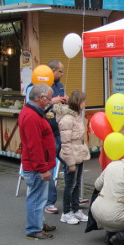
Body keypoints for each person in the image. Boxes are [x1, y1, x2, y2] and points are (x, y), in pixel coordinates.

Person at [26, 60, 69, 214]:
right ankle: (49, 202)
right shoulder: (34, 88)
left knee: (69, 161)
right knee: (49, 166)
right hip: (46, 132)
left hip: (58, 129)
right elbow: (36, 106)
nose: (62, 74)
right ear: (51, 71)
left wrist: (65, 102)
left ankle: (71, 197)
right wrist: (53, 101)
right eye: (60, 71)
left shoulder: (59, 85)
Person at [18, 84, 56, 240]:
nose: (49, 102)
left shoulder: (32, 113)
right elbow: (35, 146)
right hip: (36, 167)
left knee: (39, 196)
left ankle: (38, 223)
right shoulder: (32, 116)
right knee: (36, 197)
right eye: (48, 98)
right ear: (40, 98)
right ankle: (34, 228)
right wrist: (42, 169)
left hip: (37, 164)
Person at [55, 90, 91, 225]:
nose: (85, 104)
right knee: (70, 184)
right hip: (71, 154)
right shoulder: (67, 119)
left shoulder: (76, 116)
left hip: (79, 153)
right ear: (78, 103)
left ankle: (76, 210)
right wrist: (70, 163)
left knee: (77, 183)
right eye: (83, 101)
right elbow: (65, 143)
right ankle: (66, 212)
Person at [91, 157, 124, 245]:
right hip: (117, 216)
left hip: (97, 211)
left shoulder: (112, 164)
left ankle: (111, 233)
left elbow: (97, 185)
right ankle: (123, 235)